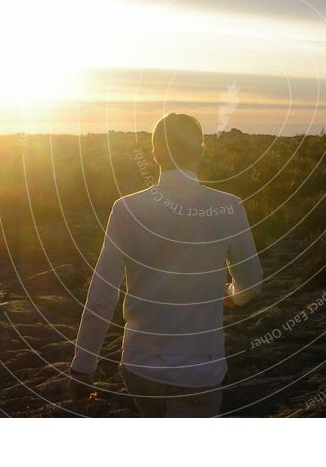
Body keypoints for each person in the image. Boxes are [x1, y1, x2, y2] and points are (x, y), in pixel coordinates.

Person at [67, 112, 263, 417]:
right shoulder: (229, 207)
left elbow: (102, 295)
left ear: (155, 152)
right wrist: (232, 294)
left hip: (140, 365)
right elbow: (252, 283)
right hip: (201, 369)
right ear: (200, 151)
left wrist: (83, 366)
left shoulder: (126, 209)